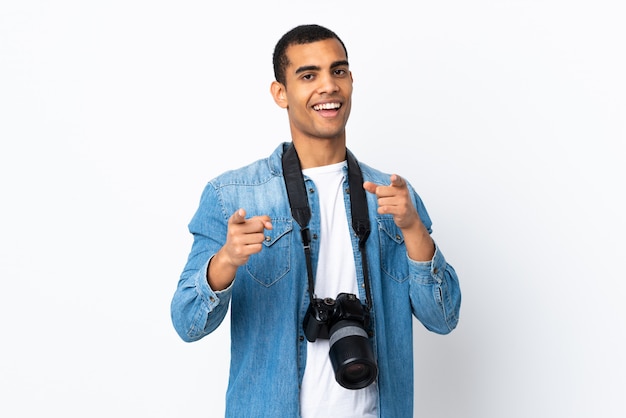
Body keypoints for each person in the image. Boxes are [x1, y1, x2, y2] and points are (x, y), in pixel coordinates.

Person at [171, 24, 461, 418]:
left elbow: (443, 319)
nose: (328, 86)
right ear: (281, 93)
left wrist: (413, 229)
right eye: (309, 75)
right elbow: (188, 322)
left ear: (351, 81)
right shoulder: (232, 196)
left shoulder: (393, 198)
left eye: (338, 71)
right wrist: (225, 261)